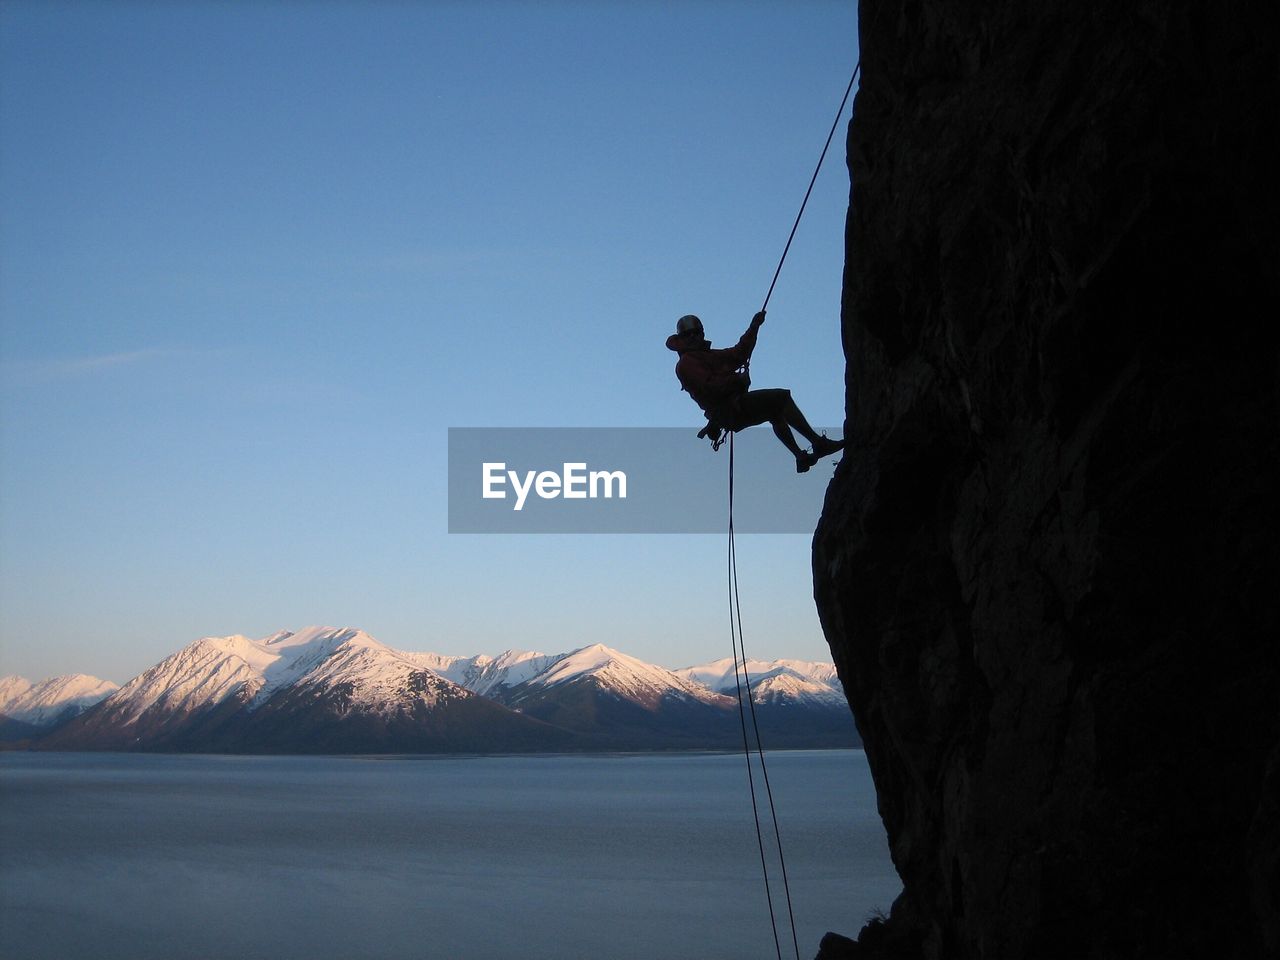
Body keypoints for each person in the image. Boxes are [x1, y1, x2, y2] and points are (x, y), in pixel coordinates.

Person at [665, 310, 844, 473]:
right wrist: (737, 380)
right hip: (727, 410)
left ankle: (800, 456)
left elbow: (738, 353)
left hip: (732, 408)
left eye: (697, 332)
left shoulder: (708, 356)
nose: (694, 337)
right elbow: (711, 387)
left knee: (774, 412)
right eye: (689, 334)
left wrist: (754, 327)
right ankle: (817, 443)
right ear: (681, 339)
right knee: (780, 398)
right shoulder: (687, 363)